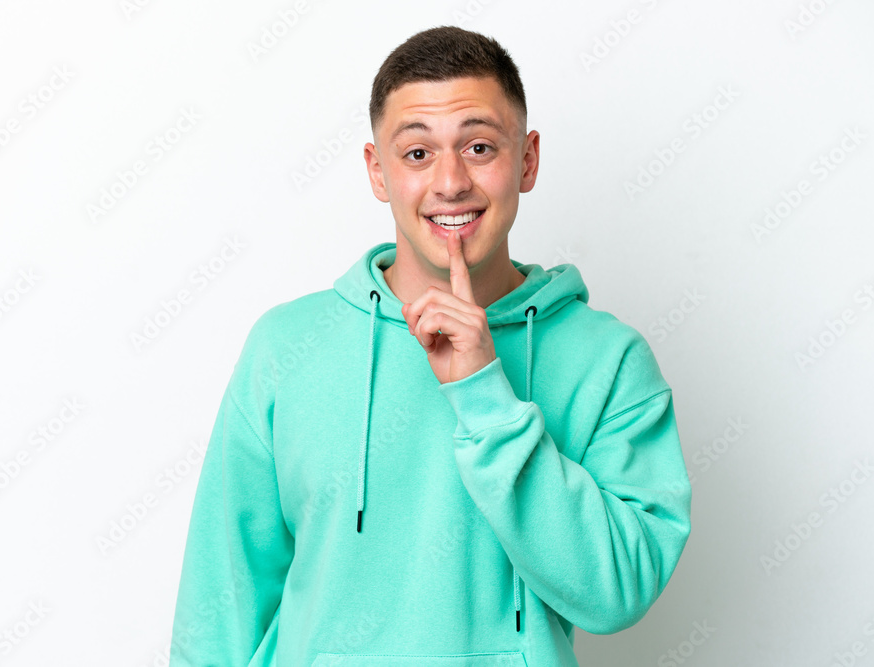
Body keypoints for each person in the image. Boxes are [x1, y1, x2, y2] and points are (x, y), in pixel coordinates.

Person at [169, 25, 691, 667]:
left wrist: (486, 397)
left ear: (526, 160)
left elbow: (619, 592)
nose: (450, 182)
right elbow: (221, 602)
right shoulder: (286, 347)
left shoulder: (608, 361)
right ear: (377, 171)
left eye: (478, 147)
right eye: (417, 154)